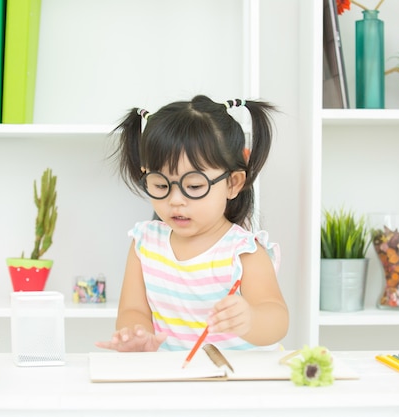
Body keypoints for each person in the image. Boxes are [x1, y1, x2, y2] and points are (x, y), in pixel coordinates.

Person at [95, 95, 288, 352]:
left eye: (194, 186)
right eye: (161, 185)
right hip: (177, 381)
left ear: (233, 184)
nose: (176, 200)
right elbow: (133, 310)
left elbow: (277, 319)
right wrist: (136, 334)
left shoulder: (244, 251)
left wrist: (250, 319)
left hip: (238, 382)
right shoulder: (145, 244)